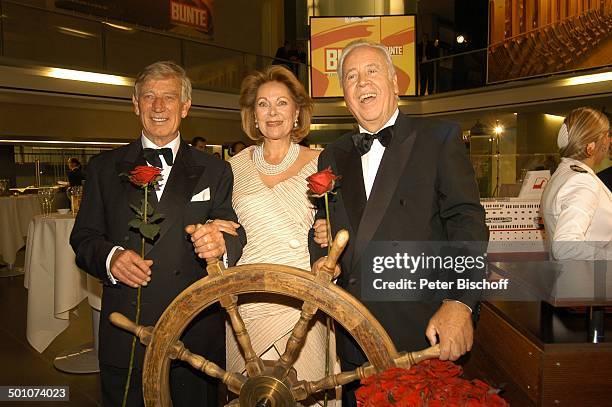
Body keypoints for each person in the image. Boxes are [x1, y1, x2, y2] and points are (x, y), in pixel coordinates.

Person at [310, 40, 487, 406]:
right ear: (344, 94)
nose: (362, 83)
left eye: (372, 71)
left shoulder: (439, 139)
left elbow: (466, 223)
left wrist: (460, 302)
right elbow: (324, 223)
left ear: (394, 81)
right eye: (351, 77)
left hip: (422, 336)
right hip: (356, 336)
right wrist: (320, 253)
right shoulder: (333, 153)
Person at [70, 61, 244, 407]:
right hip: (128, 329)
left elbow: (232, 229)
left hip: (195, 333)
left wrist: (221, 243)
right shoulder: (104, 168)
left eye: (169, 97)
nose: (159, 106)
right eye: (149, 97)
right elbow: (84, 238)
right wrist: (111, 257)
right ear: (136, 105)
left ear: (185, 106)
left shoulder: (215, 169)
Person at [190, 65, 334, 405]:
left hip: (304, 302)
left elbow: (338, 223)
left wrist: (332, 232)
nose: (272, 113)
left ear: (297, 111)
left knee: (304, 394)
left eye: (282, 103)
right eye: (263, 104)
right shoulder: (231, 167)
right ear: (252, 115)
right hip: (247, 302)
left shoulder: (322, 163)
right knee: (249, 396)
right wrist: (214, 232)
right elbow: (225, 226)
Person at [540, 107, 611, 260]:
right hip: (586, 280)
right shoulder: (582, 180)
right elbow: (566, 248)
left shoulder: (563, 172)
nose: (609, 141)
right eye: (606, 135)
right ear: (591, 146)